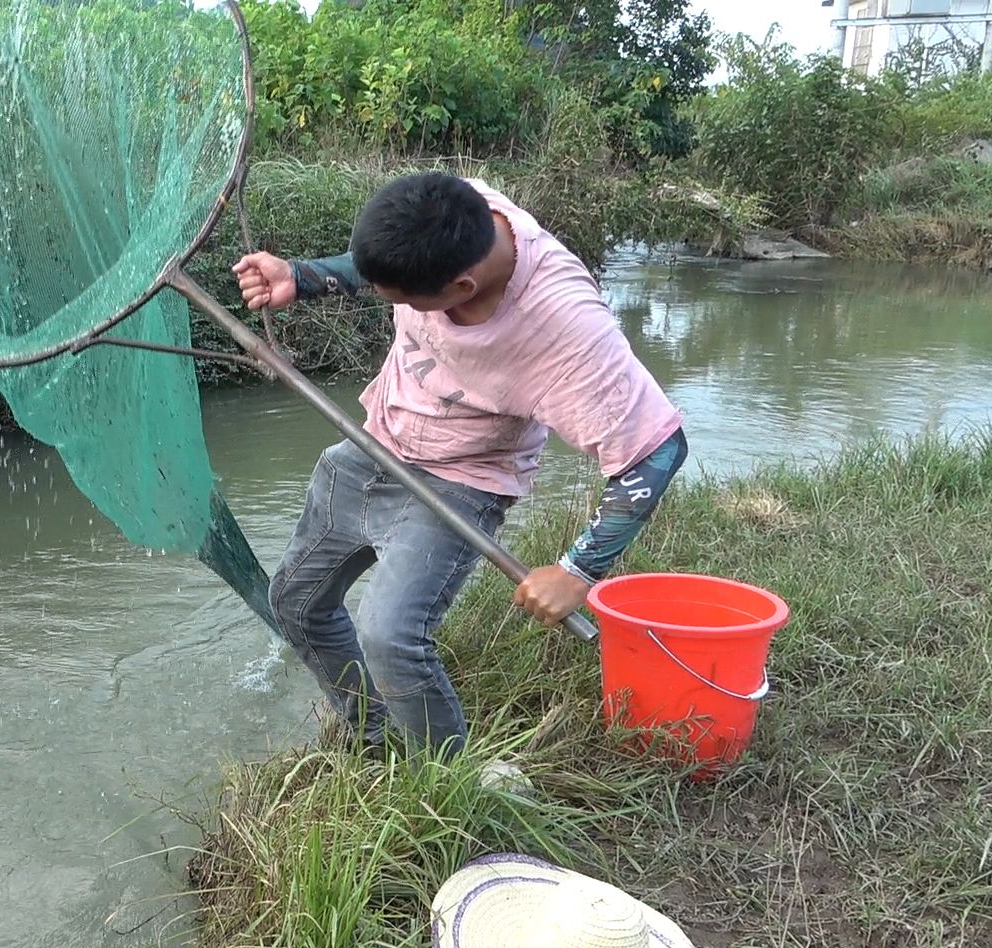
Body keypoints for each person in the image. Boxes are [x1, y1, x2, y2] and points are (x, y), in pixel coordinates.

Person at [232, 171, 688, 759]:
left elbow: (658, 450)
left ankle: (445, 779)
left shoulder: (567, 331)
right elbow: (379, 266)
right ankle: (372, 740)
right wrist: (303, 275)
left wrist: (578, 571)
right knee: (294, 601)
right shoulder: (456, 209)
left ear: (461, 287)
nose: (386, 301)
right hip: (373, 445)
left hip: (461, 481)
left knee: (389, 635)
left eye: (399, 301)